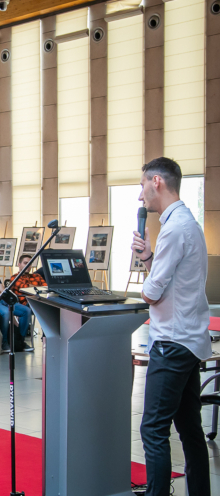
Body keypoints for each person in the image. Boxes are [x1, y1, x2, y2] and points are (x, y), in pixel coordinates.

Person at [131, 157, 210, 496]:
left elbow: (152, 292)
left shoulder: (174, 229)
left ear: (157, 182)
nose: (141, 196)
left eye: (142, 185)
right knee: (191, 429)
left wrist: (149, 268)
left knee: (153, 429)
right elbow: (171, 281)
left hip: (172, 344)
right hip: (190, 341)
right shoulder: (186, 223)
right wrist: (149, 258)